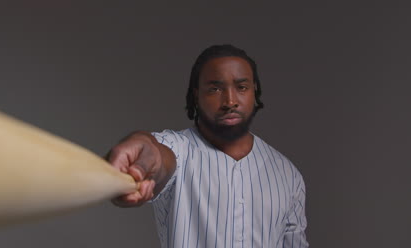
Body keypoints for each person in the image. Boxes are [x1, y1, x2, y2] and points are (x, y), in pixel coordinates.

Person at [107, 44, 308, 248]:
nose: (230, 101)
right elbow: (157, 153)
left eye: (241, 87)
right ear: (196, 95)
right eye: (215, 89)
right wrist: (142, 154)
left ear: (254, 91)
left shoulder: (288, 174)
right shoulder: (181, 150)